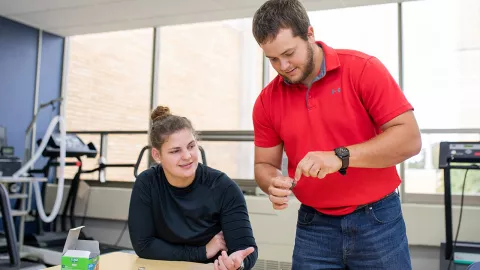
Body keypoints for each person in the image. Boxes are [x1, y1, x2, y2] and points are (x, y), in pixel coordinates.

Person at [251, 0, 422, 269]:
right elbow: (264, 165)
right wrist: (271, 182)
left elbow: (410, 139)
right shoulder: (266, 101)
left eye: (289, 53)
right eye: (272, 59)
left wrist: (340, 157)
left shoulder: (363, 69)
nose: (282, 66)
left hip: (378, 220)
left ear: (309, 34)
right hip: (313, 227)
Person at [128, 106, 258, 270]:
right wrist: (202, 252)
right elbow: (144, 245)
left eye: (191, 146)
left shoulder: (224, 187)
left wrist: (238, 263)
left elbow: (245, 249)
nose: (187, 156)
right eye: (175, 151)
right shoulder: (146, 183)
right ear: (157, 155)